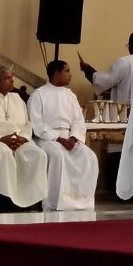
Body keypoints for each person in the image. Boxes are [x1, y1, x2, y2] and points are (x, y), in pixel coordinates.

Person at [0, 65, 47, 208]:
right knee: (3, 152)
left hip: (19, 141)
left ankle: (30, 198)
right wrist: (0, 139)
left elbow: (27, 123)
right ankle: (3, 200)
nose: (12, 81)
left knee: (38, 154)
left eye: (12, 77)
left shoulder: (18, 99)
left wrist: (23, 138)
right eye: (8, 78)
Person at [27, 60, 99, 210]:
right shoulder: (38, 95)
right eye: (67, 71)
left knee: (89, 157)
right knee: (57, 156)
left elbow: (78, 120)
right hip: (47, 138)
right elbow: (37, 124)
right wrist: (58, 138)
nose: (70, 75)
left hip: (70, 138)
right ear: (56, 73)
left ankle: (82, 201)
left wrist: (73, 138)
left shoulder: (70, 95)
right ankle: (55, 201)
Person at [80, 30, 133, 103]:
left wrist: (87, 69)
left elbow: (104, 82)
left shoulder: (124, 63)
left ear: (131, 46)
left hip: (125, 112)